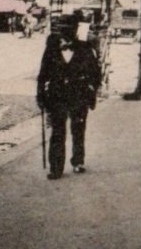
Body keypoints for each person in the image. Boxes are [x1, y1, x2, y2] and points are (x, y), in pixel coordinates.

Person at [36, 16, 101, 179]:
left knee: (78, 129)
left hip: (78, 95)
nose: (67, 33)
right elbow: (43, 74)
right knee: (58, 132)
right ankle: (56, 168)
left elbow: (95, 73)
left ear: (75, 30)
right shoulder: (51, 49)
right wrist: (40, 95)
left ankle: (78, 161)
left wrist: (91, 91)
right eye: (63, 29)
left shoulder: (85, 48)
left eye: (70, 29)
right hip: (57, 96)